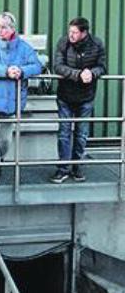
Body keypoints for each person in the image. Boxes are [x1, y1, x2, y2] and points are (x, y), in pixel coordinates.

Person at [0, 12, 42, 181]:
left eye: (3, 27)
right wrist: (5, 71)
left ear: (12, 28)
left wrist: (22, 71)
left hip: (11, 100)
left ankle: (0, 157)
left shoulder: (24, 48)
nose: (0, 30)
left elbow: (37, 66)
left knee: (5, 137)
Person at [50, 17, 106, 184]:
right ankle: (63, 169)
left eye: (75, 32)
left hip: (86, 97)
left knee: (81, 134)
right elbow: (58, 66)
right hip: (65, 96)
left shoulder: (97, 44)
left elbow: (102, 67)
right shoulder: (63, 43)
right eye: (70, 31)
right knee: (64, 134)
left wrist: (92, 73)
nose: (71, 35)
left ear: (84, 33)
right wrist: (78, 74)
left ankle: (77, 166)